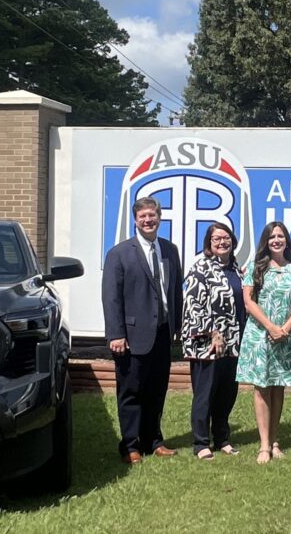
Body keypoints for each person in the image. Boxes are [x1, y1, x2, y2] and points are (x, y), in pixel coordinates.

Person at [102, 196, 183, 464]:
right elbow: (111, 297)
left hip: (162, 333)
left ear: (159, 218)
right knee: (131, 391)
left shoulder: (170, 250)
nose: (148, 220)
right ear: (135, 220)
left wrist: (178, 328)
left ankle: (154, 441)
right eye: (143, 217)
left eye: (152, 215)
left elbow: (175, 292)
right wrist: (116, 334)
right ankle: (130, 445)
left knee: (156, 390)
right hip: (131, 336)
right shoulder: (119, 253)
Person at [236, 222, 291, 464]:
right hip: (260, 335)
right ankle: (264, 445)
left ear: (287, 240)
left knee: (279, 387)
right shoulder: (255, 268)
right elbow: (248, 301)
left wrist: (284, 329)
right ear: (265, 241)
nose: (276, 240)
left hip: (286, 337)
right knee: (262, 387)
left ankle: (275, 440)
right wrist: (270, 327)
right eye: (272, 237)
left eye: (281, 236)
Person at [181, 222, 246, 460]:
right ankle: (201, 443)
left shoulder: (237, 270)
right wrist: (212, 333)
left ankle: (222, 439)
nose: (222, 242)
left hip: (232, 343)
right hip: (207, 344)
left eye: (226, 238)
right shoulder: (201, 267)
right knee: (205, 394)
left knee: (227, 393)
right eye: (216, 238)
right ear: (209, 243)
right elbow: (193, 305)